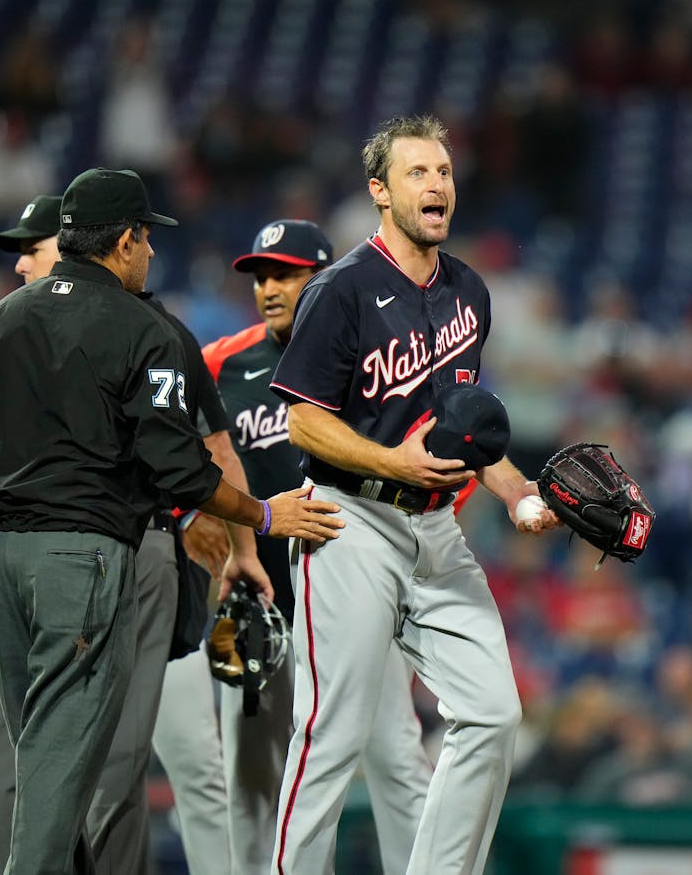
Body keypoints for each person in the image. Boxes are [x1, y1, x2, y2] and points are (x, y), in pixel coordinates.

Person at [0, 168, 344, 874]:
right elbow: (179, 467)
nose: (151, 253)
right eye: (147, 239)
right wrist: (263, 513)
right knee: (65, 767)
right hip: (80, 560)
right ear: (124, 241)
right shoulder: (144, 327)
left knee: (36, 753)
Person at [0, 192, 244, 874]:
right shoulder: (99, 324)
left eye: (33, 246)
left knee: (30, 749)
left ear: (77, 243)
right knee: (78, 759)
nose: (22, 264)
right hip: (98, 547)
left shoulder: (19, 324)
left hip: (54, 551)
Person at [266, 116, 559, 874]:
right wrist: (392, 462)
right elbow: (301, 419)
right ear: (380, 191)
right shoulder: (339, 290)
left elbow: (463, 430)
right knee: (330, 735)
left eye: (445, 173)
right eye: (418, 172)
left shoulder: (469, 291)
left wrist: (517, 490)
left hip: (436, 532)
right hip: (349, 520)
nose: (437, 185)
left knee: (494, 714)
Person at [158, 219, 432, 874]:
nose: (269, 288)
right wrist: (183, 509)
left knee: (395, 759)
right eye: (260, 276)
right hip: (260, 604)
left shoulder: (377, 361)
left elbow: (427, 463)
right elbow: (156, 438)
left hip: (359, 596)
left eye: (286, 273)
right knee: (252, 777)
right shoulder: (219, 361)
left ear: (324, 279)